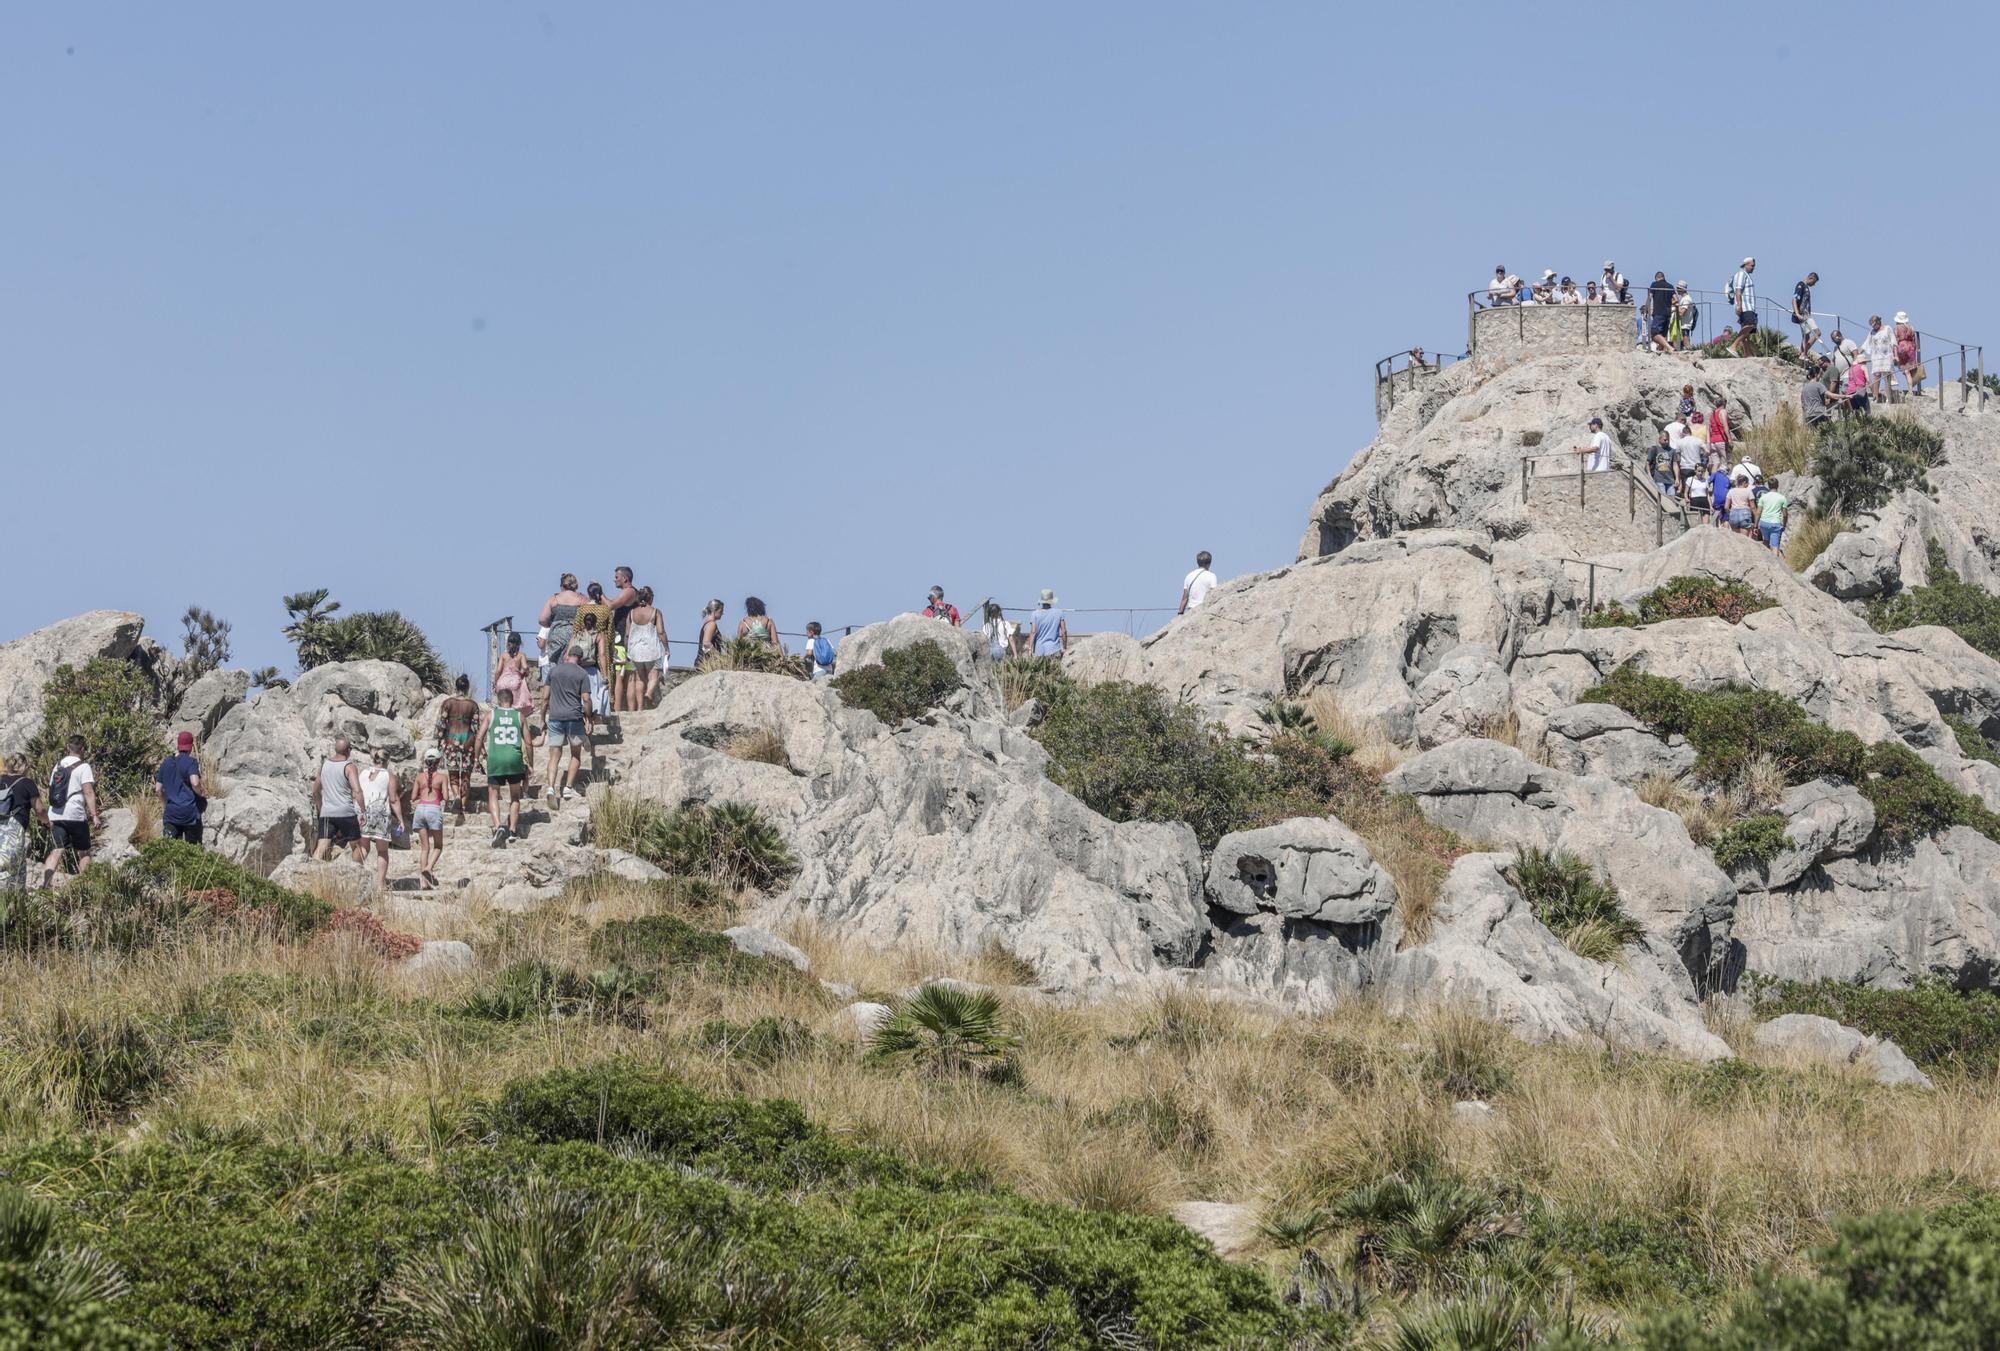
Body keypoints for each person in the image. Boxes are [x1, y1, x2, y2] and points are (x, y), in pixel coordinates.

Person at [41, 735, 101, 885]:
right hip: (75, 815)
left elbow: (51, 788)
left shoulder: (58, 766)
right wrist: (94, 815)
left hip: (55, 814)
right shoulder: (84, 766)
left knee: (57, 850)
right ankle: (85, 886)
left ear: (68, 748)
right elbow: (88, 792)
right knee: (83, 851)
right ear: (83, 749)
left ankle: (46, 885)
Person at [542, 644, 593, 809]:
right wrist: (589, 718)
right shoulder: (582, 674)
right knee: (576, 754)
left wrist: (542, 718)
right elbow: (586, 699)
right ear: (581, 659)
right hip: (574, 718)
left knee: (554, 756)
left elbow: (544, 698)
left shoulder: (554, 671)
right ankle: (568, 788)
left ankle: (550, 788)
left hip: (555, 717)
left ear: (567, 655)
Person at [480, 685, 530, 846]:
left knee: (493, 794)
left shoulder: (491, 715)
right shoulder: (520, 716)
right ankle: (513, 831)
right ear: (512, 700)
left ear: (499, 701)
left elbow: (479, 738)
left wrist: (477, 757)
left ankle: (497, 826)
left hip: (495, 759)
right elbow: (528, 742)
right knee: (515, 796)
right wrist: (530, 762)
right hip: (514, 760)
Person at [311, 737, 365, 862]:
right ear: (349, 750)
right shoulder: (349, 767)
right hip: (346, 812)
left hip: (327, 813)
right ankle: (357, 874)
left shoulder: (324, 765)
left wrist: (321, 809)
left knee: (321, 846)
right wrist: (363, 811)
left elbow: (315, 791)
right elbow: (357, 791)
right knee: (356, 846)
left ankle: (312, 871)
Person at [437, 675, 481, 826]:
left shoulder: (447, 703)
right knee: (466, 777)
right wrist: (478, 749)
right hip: (467, 743)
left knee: (454, 775)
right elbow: (476, 729)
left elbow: (441, 725)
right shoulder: (473, 705)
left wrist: (440, 743)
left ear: (456, 687)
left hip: (451, 742)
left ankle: (456, 795)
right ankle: (462, 806)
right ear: (467, 688)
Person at [355, 749, 401, 891]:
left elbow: (356, 792)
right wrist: (400, 819)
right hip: (379, 814)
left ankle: (354, 875)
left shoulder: (362, 773)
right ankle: (380, 884)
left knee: (363, 847)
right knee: (382, 850)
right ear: (387, 761)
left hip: (361, 812)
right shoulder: (389, 776)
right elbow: (393, 799)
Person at [155, 731, 204, 844]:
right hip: (189, 815)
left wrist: (166, 804)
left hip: (171, 814)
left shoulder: (166, 763)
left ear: (178, 745)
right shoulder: (191, 762)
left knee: (170, 851)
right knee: (191, 852)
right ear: (191, 746)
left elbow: (158, 789)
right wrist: (201, 793)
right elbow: (195, 783)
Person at [537, 574, 588, 680]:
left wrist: (551, 623)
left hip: (557, 637)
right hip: (575, 636)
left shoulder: (554, 599)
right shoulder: (582, 599)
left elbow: (542, 619)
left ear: (562, 585)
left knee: (556, 667)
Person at [623, 586, 668, 708]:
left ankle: (640, 708)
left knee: (639, 680)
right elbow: (661, 632)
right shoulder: (656, 612)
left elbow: (627, 634)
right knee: (654, 676)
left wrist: (626, 650)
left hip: (635, 651)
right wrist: (667, 648)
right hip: (652, 650)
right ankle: (648, 693)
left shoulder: (631, 613)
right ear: (651, 598)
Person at [410, 749, 447, 888]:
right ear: (439, 761)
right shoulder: (442, 777)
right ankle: (428, 868)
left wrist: (423, 796)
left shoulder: (419, 777)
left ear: (425, 762)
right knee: (438, 846)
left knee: (424, 848)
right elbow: (447, 797)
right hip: (434, 809)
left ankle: (423, 883)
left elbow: (413, 797)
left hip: (420, 809)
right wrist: (438, 796)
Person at [0, 763, 39, 891]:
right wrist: (47, 821)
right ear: (23, 767)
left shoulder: (1, 779)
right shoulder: (27, 783)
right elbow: (39, 809)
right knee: (11, 863)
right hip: (15, 827)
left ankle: (16, 901)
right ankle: (12, 899)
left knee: (16, 862)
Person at [494, 632, 533, 731]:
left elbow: (498, 671)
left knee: (503, 704)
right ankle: (515, 725)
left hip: (502, 681)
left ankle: (501, 725)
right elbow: (525, 667)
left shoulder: (503, 655)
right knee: (515, 706)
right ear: (520, 643)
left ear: (508, 643)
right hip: (514, 681)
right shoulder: (521, 655)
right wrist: (523, 672)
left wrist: (496, 683)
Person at [577, 610, 610, 717]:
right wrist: (605, 675)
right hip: (592, 671)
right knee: (598, 693)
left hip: (578, 670)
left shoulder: (577, 635)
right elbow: (602, 655)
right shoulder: (599, 636)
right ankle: (595, 717)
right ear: (595, 623)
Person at [1862, 314, 1897, 402]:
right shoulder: (1872, 332)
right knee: (1876, 377)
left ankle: (1889, 398)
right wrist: (1857, 354)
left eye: (1874, 324)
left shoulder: (1887, 329)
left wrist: (1896, 355)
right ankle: (1875, 397)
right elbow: (1866, 344)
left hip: (1886, 357)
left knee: (1886, 377)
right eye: (1872, 325)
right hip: (1876, 358)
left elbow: (1894, 342)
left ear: (1878, 322)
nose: (1873, 327)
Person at [1727, 257, 1757, 356]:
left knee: (1746, 331)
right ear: (1746, 264)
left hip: (1749, 306)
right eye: (1752, 265)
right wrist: (1739, 305)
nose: (1753, 268)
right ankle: (1733, 346)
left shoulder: (1747, 275)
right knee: (1750, 326)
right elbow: (1738, 290)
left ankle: (1748, 353)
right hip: (1745, 306)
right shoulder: (1741, 274)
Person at [1028, 590, 1068, 657]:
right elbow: (1064, 631)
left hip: (1039, 651)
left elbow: (1033, 632)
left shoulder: (1035, 614)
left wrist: (1030, 649)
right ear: (1051, 601)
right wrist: (1064, 647)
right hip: (1054, 649)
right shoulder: (1059, 613)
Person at [1791, 272, 1821, 357]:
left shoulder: (1806, 287)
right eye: (1814, 282)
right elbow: (1794, 300)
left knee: (1806, 336)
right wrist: (1797, 313)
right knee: (1817, 332)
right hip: (1803, 315)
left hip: (1806, 315)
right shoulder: (1801, 285)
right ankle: (1804, 353)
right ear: (1811, 278)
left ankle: (1802, 353)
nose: (1814, 285)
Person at [1757, 479, 1791, 554]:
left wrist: (1756, 525)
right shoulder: (1782, 498)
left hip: (1764, 523)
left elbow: (1758, 512)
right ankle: (1775, 564)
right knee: (1775, 546)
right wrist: (1784, 525)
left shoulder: (1763, 497)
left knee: (1765, 541)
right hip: (1775, 524)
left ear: (1768, 486)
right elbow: (1785, 514)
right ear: (1778, 485)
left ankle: (1765, 560)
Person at [1894, 312, 1923, 395]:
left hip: (1902, 347)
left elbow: (1895, 340)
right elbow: (1914, 338)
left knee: (1906, 370)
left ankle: (1910, 389)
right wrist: (1917, 347)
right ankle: (1912, 388)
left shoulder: (1897, 328)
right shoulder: (1911, 327)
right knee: (1911, 369)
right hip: (1911, 347)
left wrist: (1894, 352)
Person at [1646, 272, 1675, 351]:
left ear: (1656, 278)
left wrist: (1646, 310)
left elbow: (1649, 298)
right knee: (1663, 335)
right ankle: (1662, 351)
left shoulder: (1654, 284)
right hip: (1668, 313)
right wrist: (1668, 303)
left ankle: (1670, 348)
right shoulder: (1670, 286)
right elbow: (1676, 299)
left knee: (1654, 334)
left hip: (1659, 312)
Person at [1646, 432, 1678, 498]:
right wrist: (1649, 475)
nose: (1667, 441)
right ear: (1659, 439)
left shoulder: (1672, 451)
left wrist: (1677, 478)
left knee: (1672, 500)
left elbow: (1675, 465)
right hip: (1659, 479)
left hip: (1670, 480)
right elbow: (1648, 463)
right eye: (1665, 440)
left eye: (1668, 440)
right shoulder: (1654, 449)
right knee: (1663, 499)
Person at [1709, 464, 1735, 529]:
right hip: (1727, 500)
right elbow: (1730, 486)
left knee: (1717, 517)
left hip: (1718, 500)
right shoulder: (1728, 477)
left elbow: (1708, 481)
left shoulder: (1715, 474)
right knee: (1726, 518)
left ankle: (1717, 531)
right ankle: (1725, 533)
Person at [1673, 283, 1698, 350]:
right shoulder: (1684, 298)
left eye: (1678, 288)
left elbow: (1682, 313)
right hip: (1683, 324)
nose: (1677, 290)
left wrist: (1676, 305)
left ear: (1682, 289)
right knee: (1682, 344)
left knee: (1686, 344)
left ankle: (1692, 353)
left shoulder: (1686, 299)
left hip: (1685, 324)